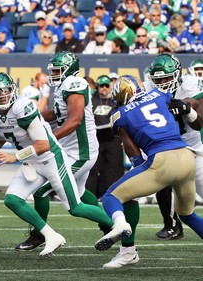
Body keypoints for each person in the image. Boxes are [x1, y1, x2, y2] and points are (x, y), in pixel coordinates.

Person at [0, 72, 113, 257]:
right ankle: (50, 235)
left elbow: (43, 144)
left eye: (4, 90)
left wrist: (15, 157)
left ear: (12, 89)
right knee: (12, 199)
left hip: (51, 159)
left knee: (75, 207)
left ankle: (116, 226)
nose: (1, 96)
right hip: (32, 161)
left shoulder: (23, 107)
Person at [95, 75, 203, 265]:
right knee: (187, 214)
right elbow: (190, 102)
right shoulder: (159, 95)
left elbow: (132, 150)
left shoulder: (119, 114)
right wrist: (188, 110)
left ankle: (121, 226)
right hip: (187, 158)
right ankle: (127, 250)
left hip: (162, 162)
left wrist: (140, 170)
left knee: (112, 196)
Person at [14, 52, 114, 251]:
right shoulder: (62, 87)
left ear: (69, 69)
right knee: (81, 192)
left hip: (80, 152)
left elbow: (75, 119)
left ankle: (39, 234)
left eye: (58, 70)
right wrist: (32, 117)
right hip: (71, 149)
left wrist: (50, 138)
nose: (54, 74)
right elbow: (57, 114)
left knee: (42, 192)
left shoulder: (74, 84)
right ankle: (108, 224)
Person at [144, 53, 203, 240]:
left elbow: (199, 122)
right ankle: (171, 225)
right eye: (159, 79)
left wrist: (187, 108)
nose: (163, 83)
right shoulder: (147, 88)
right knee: (161, 179)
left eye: (167, 78)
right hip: (169, 146)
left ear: (177, 74)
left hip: (195, 147)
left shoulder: (191, 84)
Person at [86, 75, 124, 200]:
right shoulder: (91, 99)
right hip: (96, 138)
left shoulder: (115, 99)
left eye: (106, 86)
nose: (104, 88)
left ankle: (113, 194)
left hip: (113, 137)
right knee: (93, 167)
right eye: (101, 86)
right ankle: (90, 195)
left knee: (113, 167)